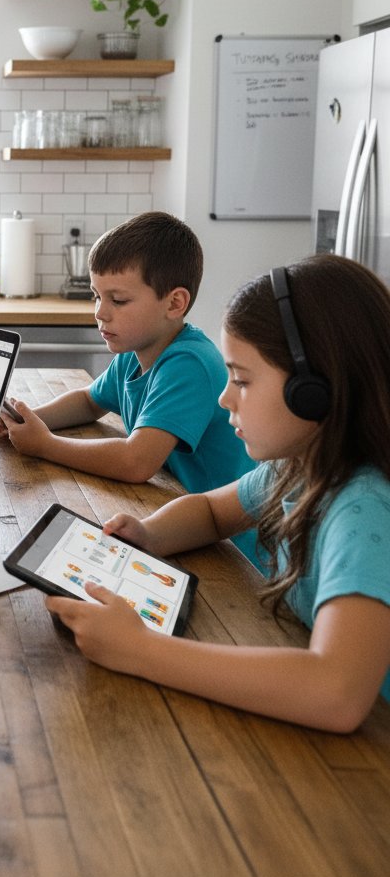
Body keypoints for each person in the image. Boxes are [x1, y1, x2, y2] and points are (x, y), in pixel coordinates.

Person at [46, 255, 390, 732]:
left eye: (243, 380)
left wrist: (143, 651)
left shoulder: (364, 507)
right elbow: (211, 512)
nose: (225, 398)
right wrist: (148, 535)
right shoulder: (295, 467)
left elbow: (337, 692)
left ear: (315, 392)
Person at [0, 211, 258, 566]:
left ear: (174, 303)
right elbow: (89, 401)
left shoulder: (189, 364)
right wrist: (27, 420)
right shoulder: (135, 351)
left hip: (228, 548)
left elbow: (136, 462)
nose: (100, 313)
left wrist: (46, 445)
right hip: (176, 517)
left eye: (117, 300)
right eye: (96, 296)